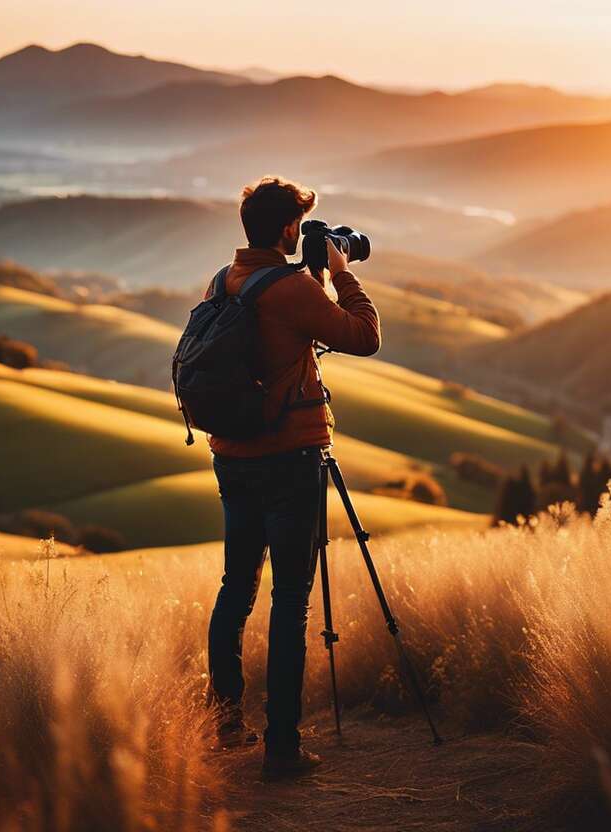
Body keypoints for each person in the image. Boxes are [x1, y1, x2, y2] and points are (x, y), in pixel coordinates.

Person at [205, 175, 380, 779]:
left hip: (232, 456)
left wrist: (316, 278)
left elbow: (271, 345)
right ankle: (282, 747)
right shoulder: (292, 289)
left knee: (235, 588)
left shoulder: (223, 281)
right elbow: (364, 337)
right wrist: (342, 274)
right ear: (287, 229)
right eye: (300, 225)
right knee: (290, 600)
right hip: (289, 459)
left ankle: (225, 723)